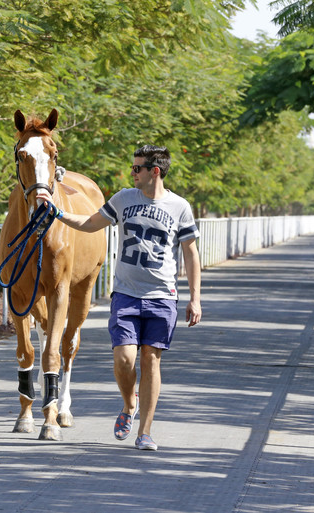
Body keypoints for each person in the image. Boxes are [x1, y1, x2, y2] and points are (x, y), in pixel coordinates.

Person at [36, 144, 201, 451]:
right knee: (124, 359)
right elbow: (90, 223)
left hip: (162, 297)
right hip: (126, 294)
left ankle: (145, 431)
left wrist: (195, 298)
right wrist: (57, 213)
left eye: (137, 168)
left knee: (151, 360)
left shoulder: (180, 207)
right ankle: (129, 404)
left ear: (155, 171)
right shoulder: (124, 199)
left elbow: (190, 253)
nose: (132, 172)